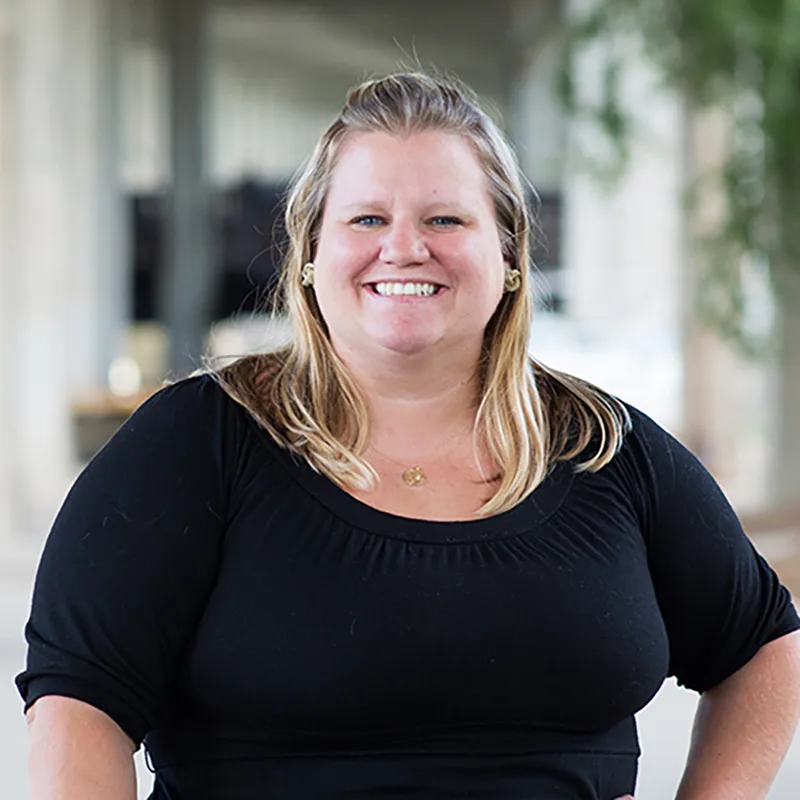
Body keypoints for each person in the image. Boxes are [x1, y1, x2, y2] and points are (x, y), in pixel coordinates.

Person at [17, 73, 800, 800]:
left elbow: (764, 643)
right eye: (366, 218)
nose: (403, 247)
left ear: (509, 255)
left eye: (445, 219)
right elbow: (78, 701)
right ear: (312, 254)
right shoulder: (196, 441)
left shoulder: (606, 448)